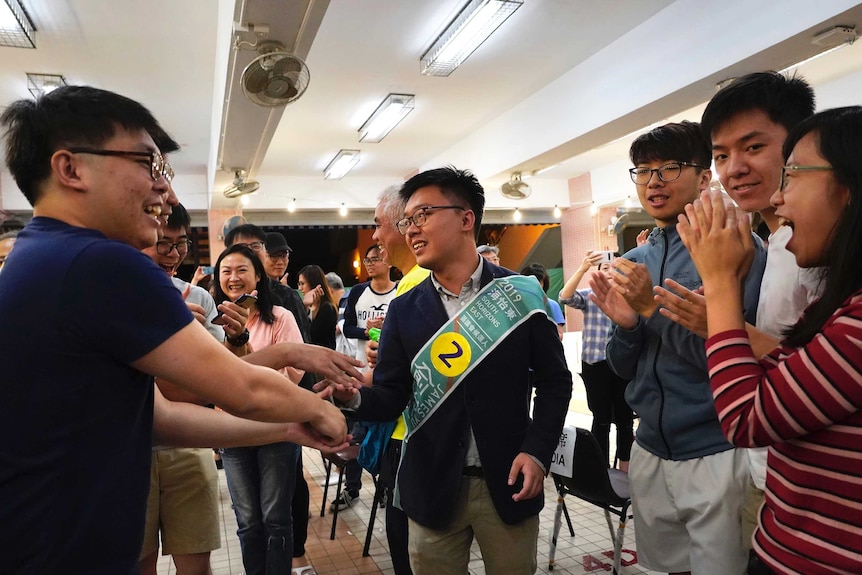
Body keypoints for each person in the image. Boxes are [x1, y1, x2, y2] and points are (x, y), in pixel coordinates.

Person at [0, 85, 353, 574]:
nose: (164, 190)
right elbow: (241, 386)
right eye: (149, 165)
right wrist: (324, 410)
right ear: (71, 168)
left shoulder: (37, 255)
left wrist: (288, 427)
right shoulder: (98, 262)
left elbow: (160, 417)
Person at [324, 167, 572, 575]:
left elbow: (555, 381)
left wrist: (537, 451)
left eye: (422, 215)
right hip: (432, 484)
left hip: (509, 481)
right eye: (407, 220)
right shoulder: (405, 308)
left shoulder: (521, 294)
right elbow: (391, 394)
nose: (410, 230)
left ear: (466, 218)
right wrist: (349, 394)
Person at [677, 106, 862, 575]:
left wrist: (720, 284)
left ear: (849, 188)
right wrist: (719, 322)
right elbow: (796, 368)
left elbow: (745, 418)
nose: (779, 197)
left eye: (793, 174)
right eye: (721, 154)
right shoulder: (843, 301)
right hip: (789, 534)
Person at [654, 71, 821, 570]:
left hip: (803, 486)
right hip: (769, 471)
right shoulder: (774, 244)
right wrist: (716, 323)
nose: (735, 169)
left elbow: (819, 372)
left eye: (753, 147)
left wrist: (723, 315)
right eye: (722, 155)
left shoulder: (815, 252)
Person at [589, 121, 766, 575]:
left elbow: (733, 360)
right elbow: (622, 367)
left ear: (704, 177)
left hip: (716, 449)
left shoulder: (736, 247)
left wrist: (650, 309)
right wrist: (628, 326)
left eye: (669, 167)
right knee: (657, 569)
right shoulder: (633, 261)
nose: (654, 181)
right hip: (649, 448)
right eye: (643, 170)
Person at [139, 203, 251, 575]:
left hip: (188, 445)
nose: (173, 255)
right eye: (162, 244)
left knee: (197, 563)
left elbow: (217, 381)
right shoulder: (119, 298)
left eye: (181, 244)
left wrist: (237, 338)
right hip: (128, 450)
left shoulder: (196, 299)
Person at [225, 224, 319, 574]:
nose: (235, 276)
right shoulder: (215, 315)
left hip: (279, 427)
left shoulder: (282, 309)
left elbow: (297, 368)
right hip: (232, 432)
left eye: (251, 256)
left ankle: (294, 560)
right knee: (248, 520)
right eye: (228, 269)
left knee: (277, 513)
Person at [331, 244, 399, 511]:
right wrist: (366, 331)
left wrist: (387, 328)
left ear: (388, 261)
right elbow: (346, 327)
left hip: (389, 375)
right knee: (355, 435)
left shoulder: (401, 291)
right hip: (359, 372)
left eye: (375, 259)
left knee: (385, 433)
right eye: (367, 260)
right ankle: (352, 488)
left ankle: (385, 487)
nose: (370, 264)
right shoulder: (358, 292)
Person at [558, 250, 634, 471]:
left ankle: (625, 469)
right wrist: (582, 268)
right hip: (595, 363)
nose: (609, 272)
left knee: (625, 418)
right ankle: (600, 470)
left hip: (623, 363)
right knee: (600, 418)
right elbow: (564, 296)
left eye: (614, 267)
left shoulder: (629, 295)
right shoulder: (591, 295)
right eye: (604, 268)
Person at [520, 262, 565, 340]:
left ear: (544, 283)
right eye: (531, 282)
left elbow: (560, 335)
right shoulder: (518, 303)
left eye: (539, 282)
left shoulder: (552, 305)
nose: (535, 285)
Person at [298, 264, 337, 350]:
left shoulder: (327, 308)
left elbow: (310, 335)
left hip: (323, 358)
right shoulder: (309, 307)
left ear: (313, 283)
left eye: (302, 284)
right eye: (299, 284)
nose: (300, 288)